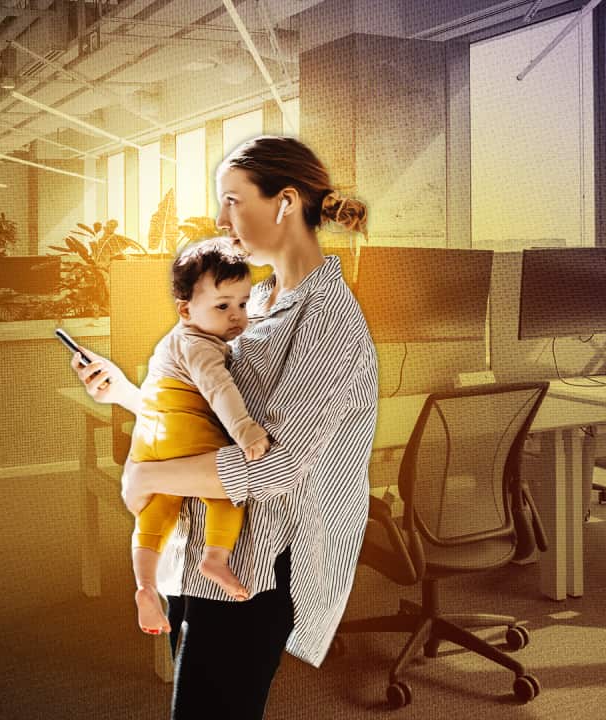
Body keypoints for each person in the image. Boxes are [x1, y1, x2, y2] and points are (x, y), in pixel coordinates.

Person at [71, 135, 377, 720]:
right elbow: (211, 415)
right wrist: (128, 394)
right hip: (209, 547)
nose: (219, 219)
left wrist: (147, 475)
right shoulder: (255, 300)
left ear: (285, 202)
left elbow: (276, 467)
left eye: (232, 200)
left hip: (258, 564)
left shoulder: (328, 319)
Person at [128, 238, 272, 636]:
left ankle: (145, 585)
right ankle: (215, 558)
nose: (237, 316)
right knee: (228, 490)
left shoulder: (174, 340)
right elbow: (219, 388)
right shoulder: (199, 346)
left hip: (150, 438)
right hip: (186, 430)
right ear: (185, 309)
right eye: (222, 306)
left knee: (155, 511)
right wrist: (245, 430)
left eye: (243, 303)